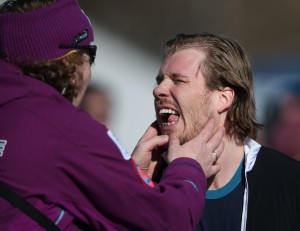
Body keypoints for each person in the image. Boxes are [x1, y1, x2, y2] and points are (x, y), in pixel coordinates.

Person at [0, 1, 225, 230]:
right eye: (91, 53)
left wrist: (126, 176)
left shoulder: (11, 113)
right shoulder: (64, 130)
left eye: (178, 80)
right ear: (72, 61)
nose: (158, 90)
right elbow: (167, 220)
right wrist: (188, 169)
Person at [152, 32, 300, 231]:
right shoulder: (147, 182)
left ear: (224, 98)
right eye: (160, 80)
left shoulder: (289, 183)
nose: (158, 90)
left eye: (178, 80)